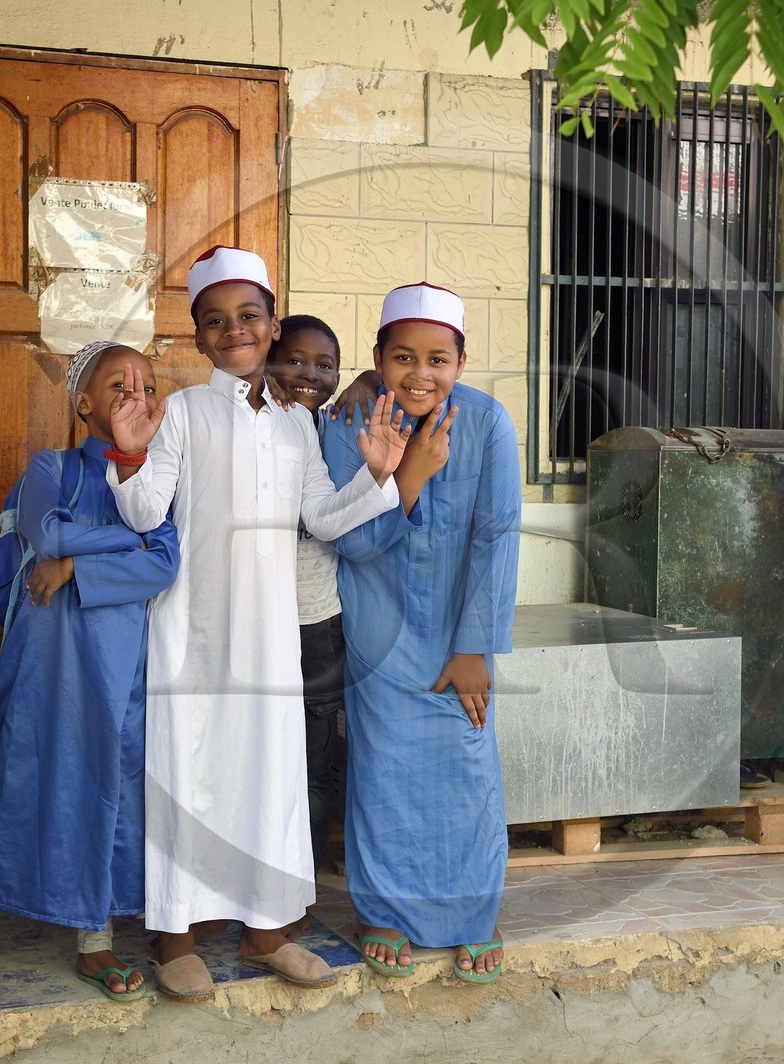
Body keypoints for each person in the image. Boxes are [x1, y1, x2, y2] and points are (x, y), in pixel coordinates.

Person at [104, 246, 410, 1000]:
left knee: (268, 774)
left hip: (271, 632)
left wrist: (375, 474)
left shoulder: (296, 425)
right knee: (191, 769)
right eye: (216, 321)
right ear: (200, 336)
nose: (233, 330)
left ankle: (266, 928)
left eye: (248, 316)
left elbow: (322, 519)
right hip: (194, 626)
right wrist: (131, 449)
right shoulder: (182, 413)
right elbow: (144, 513)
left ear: (272, 326)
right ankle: (174, 934)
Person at [0, 341, 181, 1013]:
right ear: (83, 404)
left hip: (116, 671)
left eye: (147, 384)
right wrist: (112, 546)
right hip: (46, 665)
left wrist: (80, 566)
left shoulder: (155, 483)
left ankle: (93, 942)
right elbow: (48, 533)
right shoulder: (54, 467)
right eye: (117, 384)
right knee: (21, 785)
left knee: (103, 795)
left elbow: (163, 563)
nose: (136, 392)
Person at [324, 282, 520, 983]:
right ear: (378, 357)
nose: (420, 373)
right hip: (380, 631)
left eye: (438, 358)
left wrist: (475, 648)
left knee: (468, 769)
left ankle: (472, 912)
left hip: (457, 636)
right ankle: (382, 911)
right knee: (383, 773)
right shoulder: (348, 422)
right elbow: (351, 543)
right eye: (402, 356)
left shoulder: (490, 423)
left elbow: (496, 537)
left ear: (461, 362)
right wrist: (409, 471)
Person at [266, 315, 348, 882]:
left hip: (318, 619)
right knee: (263, 749)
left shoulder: (337, 427)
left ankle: (307, 875)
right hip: (257, 616)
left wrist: (367, 382)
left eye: (324, 365)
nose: (310, 374)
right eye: (295, 359)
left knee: (316, 752)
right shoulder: (254, 426)